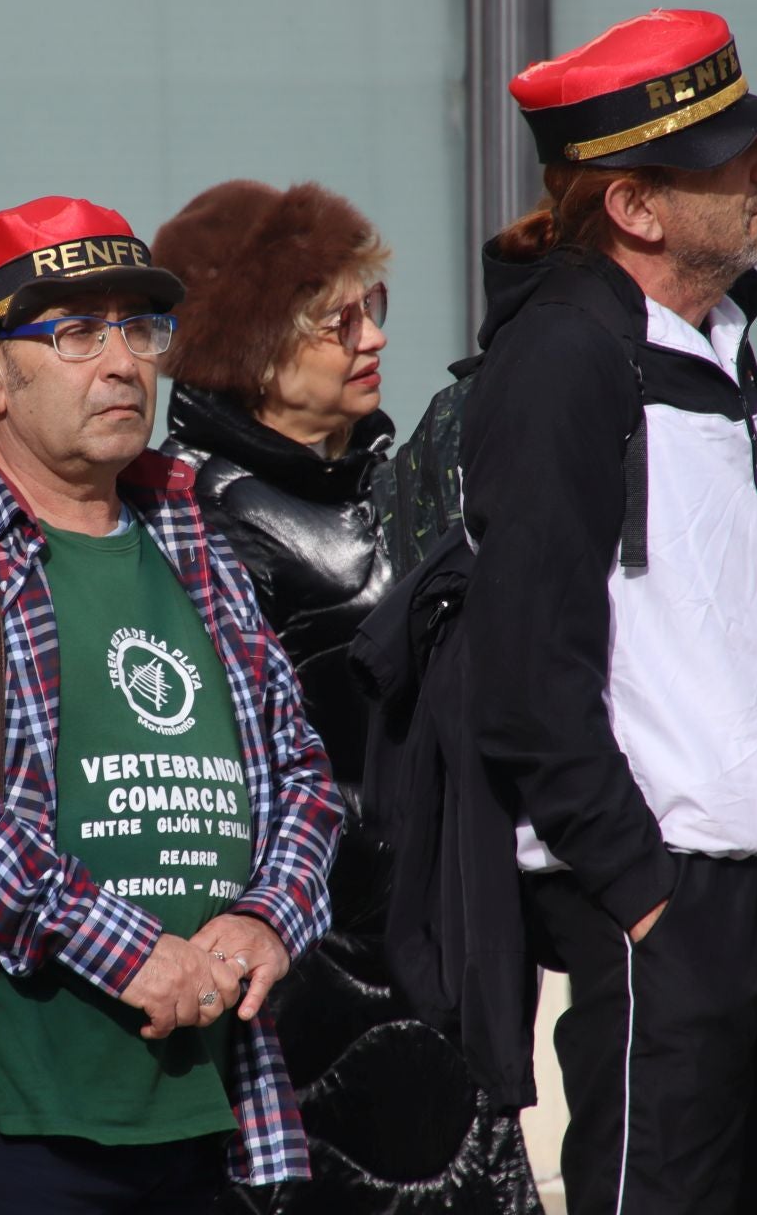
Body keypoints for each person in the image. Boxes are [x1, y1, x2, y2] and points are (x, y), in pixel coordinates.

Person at [0, 195, 343, 1213]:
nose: (124, 362)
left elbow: (304, 774)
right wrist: (126, 948)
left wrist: (269, 916)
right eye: (78, 332)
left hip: (220, 1110)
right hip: (13, 1120)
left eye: (140, 328)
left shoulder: (193, 533)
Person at [459, 9, 757, 1214]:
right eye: (730, 152)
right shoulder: (564, 362)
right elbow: (527, 675)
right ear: (636, 207)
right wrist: (643, 895)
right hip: (671, 906)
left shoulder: (723, 336)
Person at [151, 180, 539, 1214]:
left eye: (377, 308)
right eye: (338, 318)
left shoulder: (383, 472)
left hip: (428, 943)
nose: (370, 336)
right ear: (247, 343)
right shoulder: (187, 513)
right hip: (300, 965)